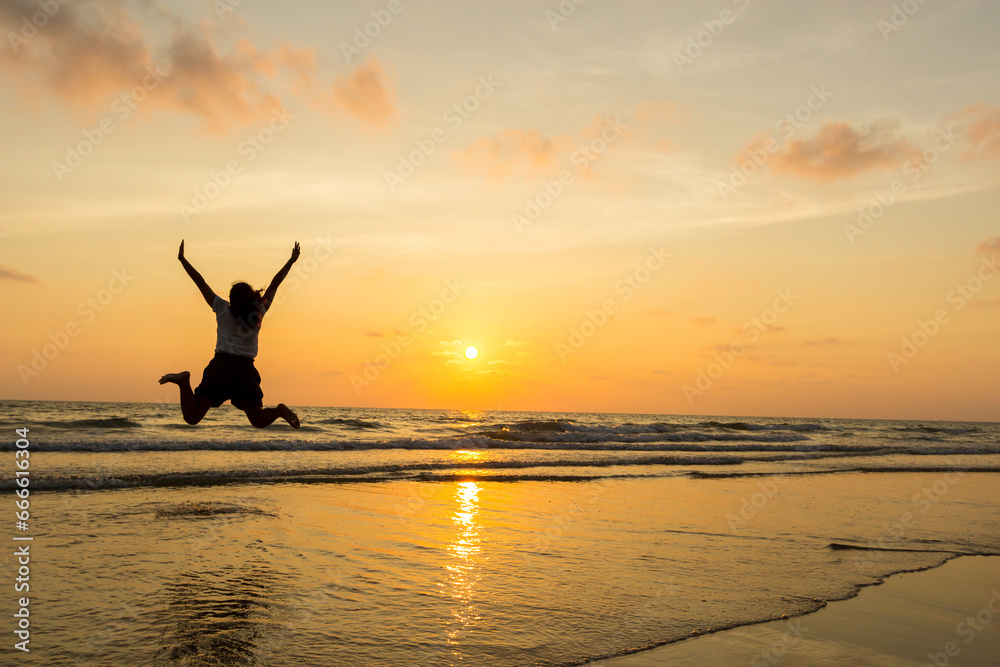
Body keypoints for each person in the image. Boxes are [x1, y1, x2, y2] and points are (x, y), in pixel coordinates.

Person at [159, 240, 301, 429]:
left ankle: (184, 382)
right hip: (245, 371)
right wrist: (291, 261)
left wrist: (183, 260)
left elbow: (201, 282)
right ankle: (278, 411)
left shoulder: (222, 308)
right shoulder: (258, 312)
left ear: (232, 300)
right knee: (258, 420)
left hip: (221, 368)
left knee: (192, 417)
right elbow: (275, 283)